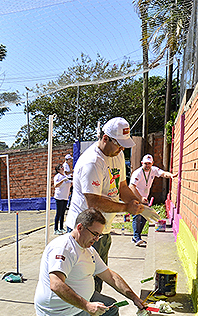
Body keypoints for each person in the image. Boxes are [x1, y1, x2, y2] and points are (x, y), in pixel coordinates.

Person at [34, 208, 147, 316]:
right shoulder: (64, 248)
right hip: (59, 314)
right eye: (95, 234)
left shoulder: (89, 250)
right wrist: (87, 306)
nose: (97, 239)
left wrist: (134, 298)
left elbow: (110, 276)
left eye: (99, 235)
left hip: (77, 306)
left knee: (111, 309)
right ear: (80, 227)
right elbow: (56, 284)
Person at [65, 117, 143, 295]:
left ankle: (94, 314)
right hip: (85, 228)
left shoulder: (118, 155)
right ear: (105, 138)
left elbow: (122, 187)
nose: (122, 149)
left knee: (99, 273)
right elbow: (94, 202)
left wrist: (137, 204)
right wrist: (126, 208)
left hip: (102, 227)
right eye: (119, 145)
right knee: (83, 276)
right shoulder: (92, 162)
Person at [129, 154, 175, 247]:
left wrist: (171, 175)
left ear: (152, 163)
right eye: (145, 163)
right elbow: (131, 186)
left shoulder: (153, 170)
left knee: (144, 217)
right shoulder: (138, 173)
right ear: (142, 163)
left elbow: (163, 173)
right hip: (135, 197)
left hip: (144, 198)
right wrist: (140, 198)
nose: (147, 165)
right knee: (137, 216)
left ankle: (136, 237)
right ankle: (136, 237)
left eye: (149, 163)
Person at [53, 164, 72, 235]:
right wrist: (62, 181)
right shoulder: (57, 176)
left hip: (65, 197)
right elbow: (56, 185)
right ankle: (56, 229)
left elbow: (70, 184)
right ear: (58, 170)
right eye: (61, 167)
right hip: (59, 197)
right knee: (58, 213)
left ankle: (61, 228)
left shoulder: (65, 176)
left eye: (63, 167)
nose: (63, 168)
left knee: (63, 213)